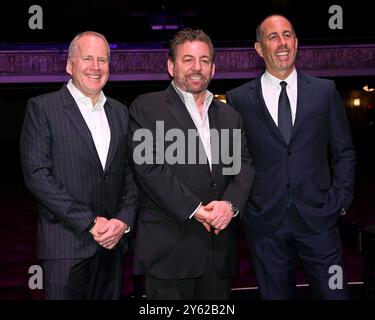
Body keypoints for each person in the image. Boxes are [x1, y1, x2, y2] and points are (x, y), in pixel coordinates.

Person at [226, 15, 356, 299]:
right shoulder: (239, 99)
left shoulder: (325, 91)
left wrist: (340, 201)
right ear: (259, 49)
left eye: (287, 35)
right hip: (265, 226)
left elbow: (343, 151)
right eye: (272, 37)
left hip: (320, 219)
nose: (282, 42)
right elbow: (234, 160)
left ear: (296, 43)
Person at [128, 29, 254, 300]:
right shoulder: (146, 107)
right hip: (169, 253)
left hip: (219, 254)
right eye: (188, 59)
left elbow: (242, 166)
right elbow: (148, 168)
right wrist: (197, 210)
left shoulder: (230, 115)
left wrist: (229, 205)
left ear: (214, 68)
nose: (197, 67)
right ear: (171, 66)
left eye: (205, 60)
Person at [20, 31, 138, 299]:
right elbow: (38, 176)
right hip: (65, 247)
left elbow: (130, 174)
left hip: (111, 245)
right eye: (87, 58)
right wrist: (90, 223)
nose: (96, 67)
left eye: (102, 60)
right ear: (69, 65)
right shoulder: (42, 108)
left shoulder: (121, 112)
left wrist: (122, 221)